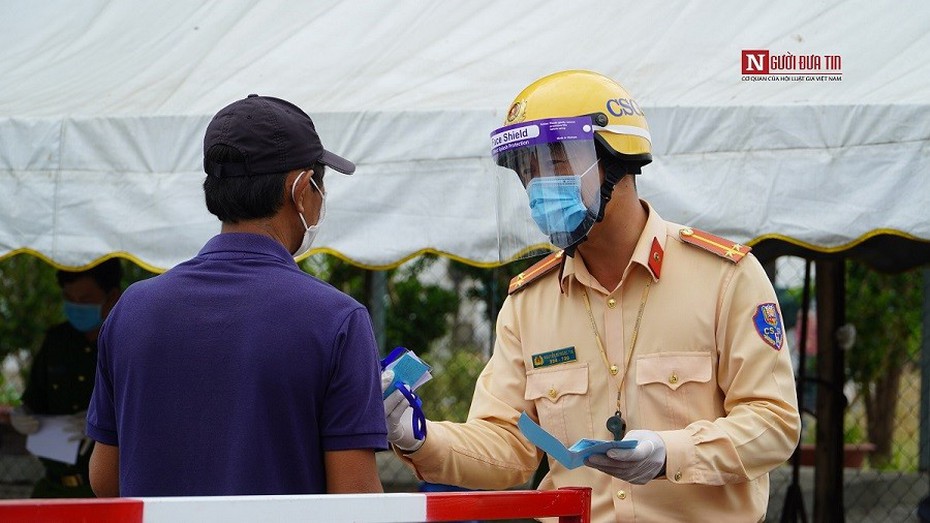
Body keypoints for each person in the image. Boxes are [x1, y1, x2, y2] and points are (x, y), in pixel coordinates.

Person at [383, 70, 801, 521]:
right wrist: (418, 436)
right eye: (528, 167)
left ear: (617, 158)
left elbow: (774, 423)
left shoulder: (725, 279)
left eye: (557, 158)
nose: (540, 182)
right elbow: (507, 446)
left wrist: (670, 453)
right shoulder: (529, 303)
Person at [86, 94, 387, 497]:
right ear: (300, 189)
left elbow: (105, 481)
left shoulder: (133, 311)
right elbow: (356, 499)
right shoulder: (337, 319)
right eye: (319, 184)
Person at [10, 258, 123, 498]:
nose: (76, 306)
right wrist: (22, 416)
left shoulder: (122, 343)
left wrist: (98, 422)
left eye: (85, 300)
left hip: (99, 491)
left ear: (111, 296)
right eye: (69, 299)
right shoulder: (56, 342)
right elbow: (32, 401)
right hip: (52, 487)